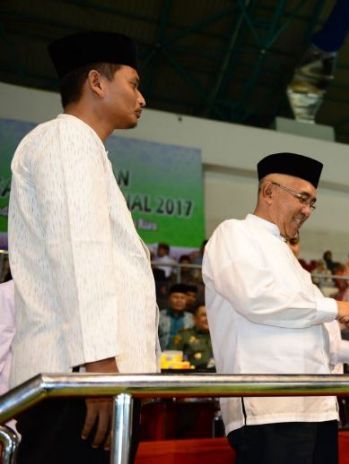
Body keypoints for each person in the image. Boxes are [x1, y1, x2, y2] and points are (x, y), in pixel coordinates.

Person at [8, 31, 157, 463]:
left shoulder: (84, 147)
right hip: (81, 380)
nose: (142, 98)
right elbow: (80, 252)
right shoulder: (67, 139)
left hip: (91, 378)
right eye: (133, 84)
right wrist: (99, 369)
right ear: (96, 82)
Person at [203, 152, 349, 464]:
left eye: (312, 203)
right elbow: (255, 298)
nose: (307, 210)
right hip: (269, 408)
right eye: (302, 198)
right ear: (268, 192)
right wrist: (335, 307)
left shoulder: (291, 261)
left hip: (317, 406)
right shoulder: (235, 233)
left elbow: (313, 336)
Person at [170, 304, 214, 371]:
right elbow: (171, 359)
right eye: (204, 315)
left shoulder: (221, 337)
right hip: (192, 374)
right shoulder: (184, 336)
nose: (208, 318)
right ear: (194, 318)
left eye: (210, 315)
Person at [158, 283, 194, 349]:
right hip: (163, 353)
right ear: (169, 298)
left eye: (182, 298)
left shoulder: (192, 318)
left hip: (185, 354)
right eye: (175, 297)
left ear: (186, 300)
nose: (179, 301)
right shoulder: (159, 316)